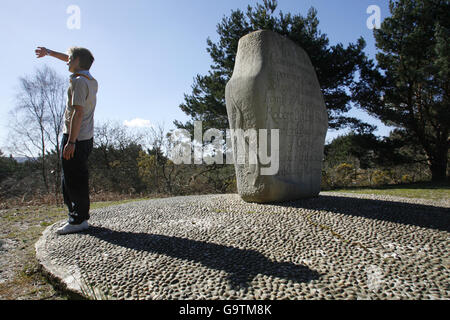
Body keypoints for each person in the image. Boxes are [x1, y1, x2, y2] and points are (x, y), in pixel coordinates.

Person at [35, 46, 98, 235]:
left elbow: (77, 112)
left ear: (78, 61)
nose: (67, 61)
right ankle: (81, 217)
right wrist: (49, 53)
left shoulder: (79, 82)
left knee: (71, 179)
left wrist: (71, 142)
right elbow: (73, 60)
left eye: (70, 59)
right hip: (85, 137)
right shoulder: (90, 79)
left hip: (75, 136)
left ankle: (77, 219)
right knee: (78, 176)